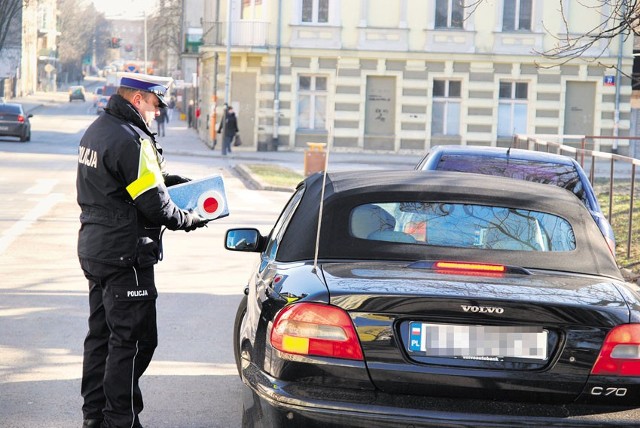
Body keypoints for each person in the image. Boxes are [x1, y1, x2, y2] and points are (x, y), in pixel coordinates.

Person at [76, 73, 209, 428]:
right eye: (154, 105)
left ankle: (94, 417)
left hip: (96, 249)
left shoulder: (98, 129)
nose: (157, 113)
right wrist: (189, 218)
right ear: (138, 100)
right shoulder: (133, 140)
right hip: (126, 256)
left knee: (101, 338)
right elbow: (155, 207)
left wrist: (167, 183)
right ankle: (120, 421)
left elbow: (121, 184)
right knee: (134, 342)